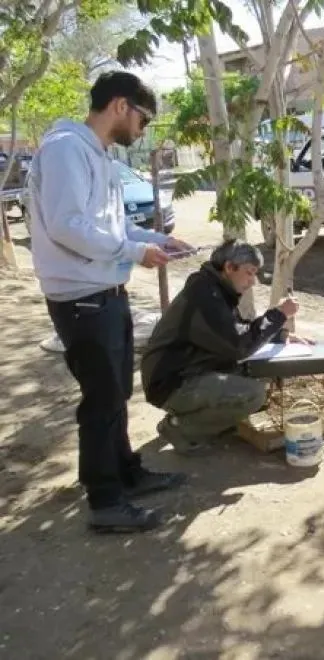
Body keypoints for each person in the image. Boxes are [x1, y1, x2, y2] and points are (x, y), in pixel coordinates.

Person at [27, 71, 193, 533]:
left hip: (105, 292)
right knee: (101, 401)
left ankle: (125, 473)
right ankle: (105, 501)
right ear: (121, 106)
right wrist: (135, 252)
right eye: (143, 118)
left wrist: (158, 239)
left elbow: (112, 228)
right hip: (81, 298)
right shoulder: (64, 149)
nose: (142, 129)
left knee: (116, 393)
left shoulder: (95, 155)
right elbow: (67, 226)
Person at [141, 239, 302, 455]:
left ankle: (200, 420)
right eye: (249, 273)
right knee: (253, 394)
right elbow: (238, 345)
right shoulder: (205, 295)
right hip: (172, 383)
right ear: (229, 267)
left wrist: (279, 338)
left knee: (259, 377)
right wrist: (279, 314)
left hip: (190, 371)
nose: (253, 281)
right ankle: (180, 428)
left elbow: (238, 332)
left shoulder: (213, 288)